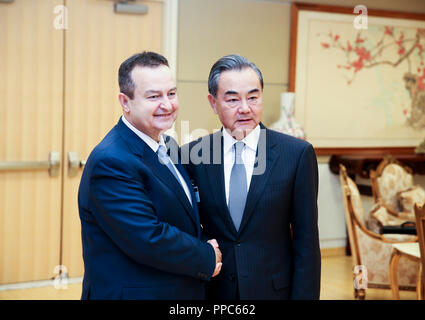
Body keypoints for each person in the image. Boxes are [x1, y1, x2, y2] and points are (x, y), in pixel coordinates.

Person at [78, 51, 222, 300]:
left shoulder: (166, 145)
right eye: (154, 96)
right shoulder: (111, 161)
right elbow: (147, 238)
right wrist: (206, 256)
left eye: (172, 93)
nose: (167, 105)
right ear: (125, 102)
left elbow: (182, 214)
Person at [182, 54, 321, 300]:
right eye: (233, 99)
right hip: (214, 292)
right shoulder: (194, 156)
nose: (245, 108)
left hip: (274, 291)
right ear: (213, 103)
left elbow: (306, 243)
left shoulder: (296, 155)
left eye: (253, 97)